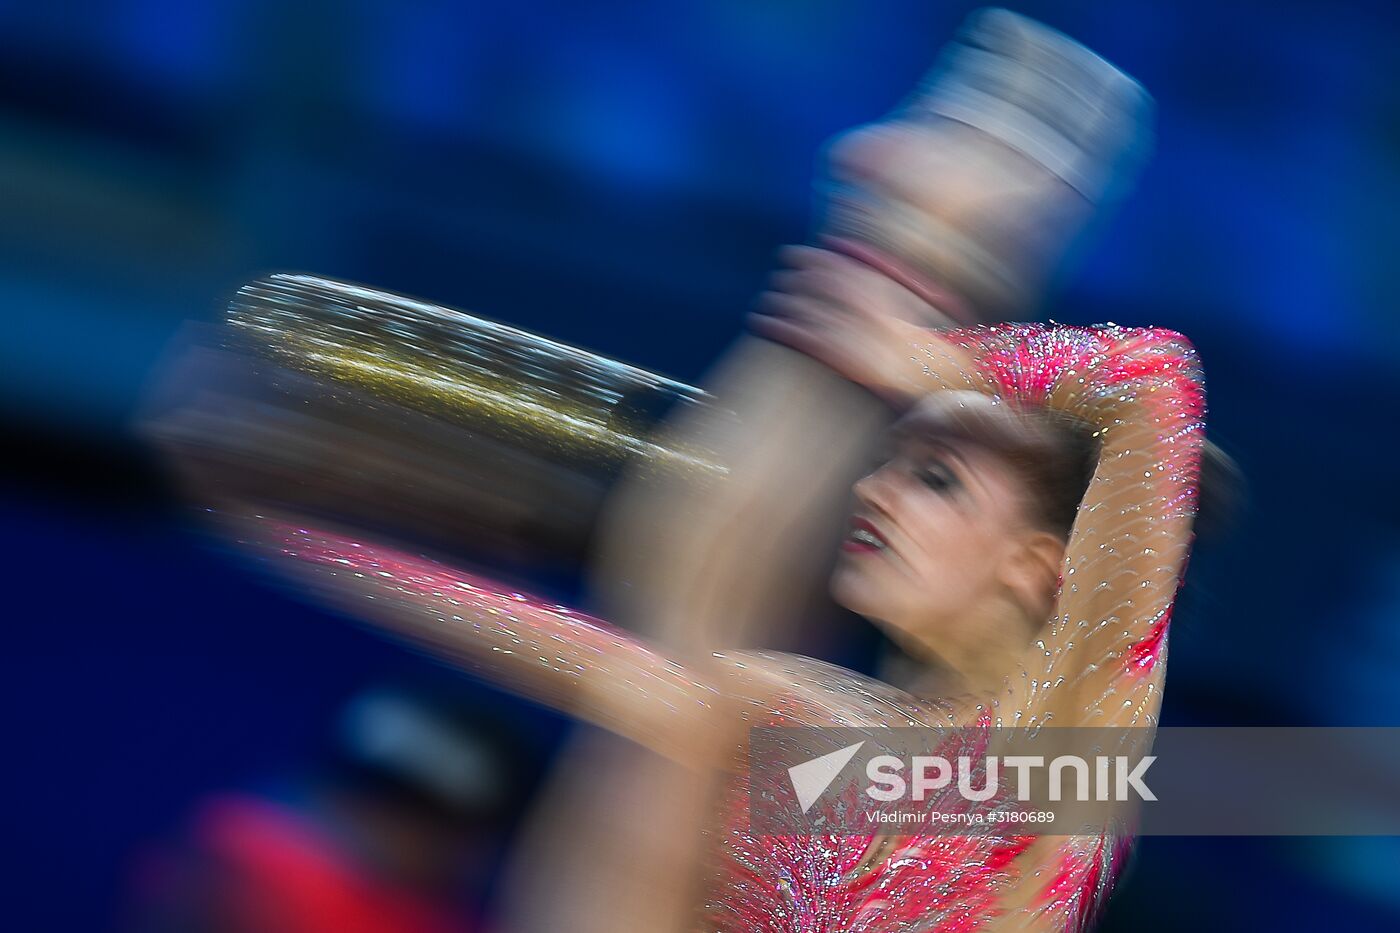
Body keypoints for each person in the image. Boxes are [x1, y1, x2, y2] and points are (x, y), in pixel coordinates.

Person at [185, 9, 1204, 930]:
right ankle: (920, 237)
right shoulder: (822, 729)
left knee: (668, 704)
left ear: (1036, 568)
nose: (868, 489)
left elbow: (1152, 381)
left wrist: (926, 361)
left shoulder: (1060, 783)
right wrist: (309, 540)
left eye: (936, 482)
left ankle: (923, 237)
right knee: (660, 699)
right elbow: (626, 675)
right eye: (897, 466)